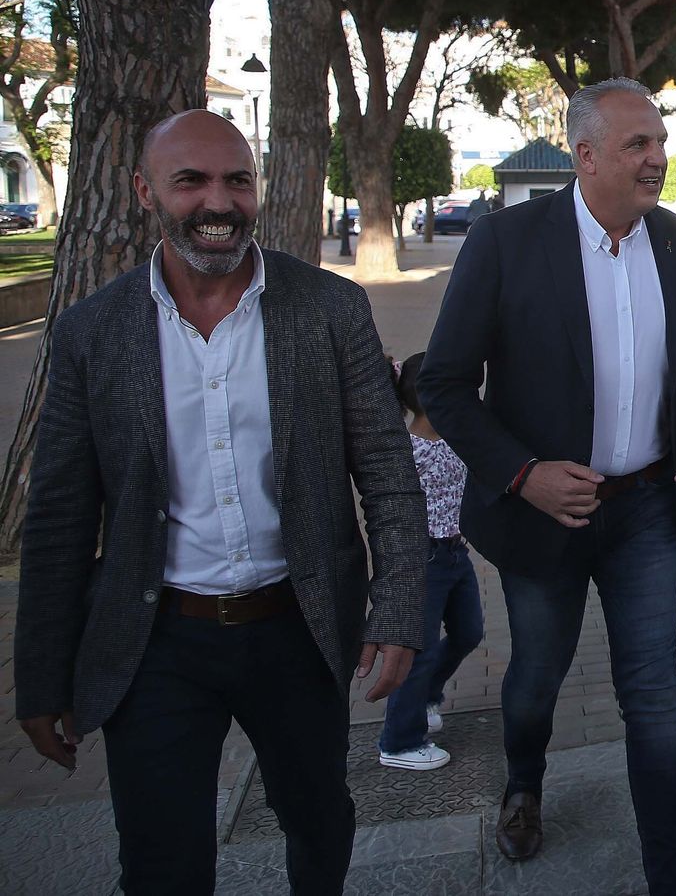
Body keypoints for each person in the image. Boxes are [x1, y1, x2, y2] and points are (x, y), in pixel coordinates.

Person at [14, 110, 427, 895]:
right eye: (191, 181)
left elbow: (385, 467)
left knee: (318, 819)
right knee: (163, 862)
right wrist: (40, 677)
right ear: (144, 191)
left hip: (298, 629)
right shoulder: (90, 334)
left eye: (238, 180)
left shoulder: (329, 309)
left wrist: (400, 607)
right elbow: (60, 516)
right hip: (157, 641)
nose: (219, 200)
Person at [418, 76, 676, 893]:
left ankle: (673, 876)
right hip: (542, 518)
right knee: (535, 677)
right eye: (639, 145)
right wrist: (522, 475)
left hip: (645, 514)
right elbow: (445, 384)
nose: (658, 159)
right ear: (585, 154)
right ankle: (523, 779)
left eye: (661, 142)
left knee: (655, 694)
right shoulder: (505, 242)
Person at [377, 351, 486, 772]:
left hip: (455, 553)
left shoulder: (456, 438)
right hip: (422, 558)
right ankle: (400, 741)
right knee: (416, 651)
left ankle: (424, 697)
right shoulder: (409, 452)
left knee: (468, 631)